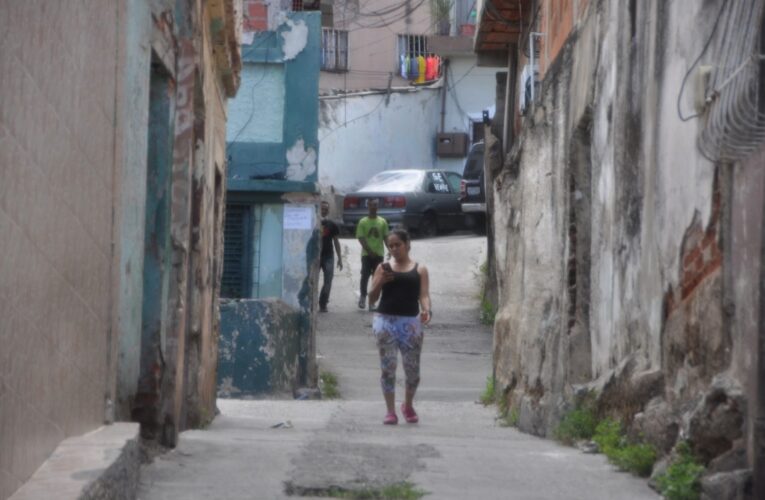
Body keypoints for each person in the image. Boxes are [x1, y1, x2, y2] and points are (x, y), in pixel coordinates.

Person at [368, 229, 431, 425]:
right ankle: (390, 411)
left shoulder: (420, 269)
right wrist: (380, 281)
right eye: (391, 246)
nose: (394, 249)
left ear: (407, 244)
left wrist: (426, 310)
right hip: (385, 321)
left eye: (398, 245)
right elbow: (372, 297)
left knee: (412, 370)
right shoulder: (383, 267)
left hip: (410, 324)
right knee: (388, 368)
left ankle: (408, 405)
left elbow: (424, 294)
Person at [355, 199, 388, 310]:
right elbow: (361, 238)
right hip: (366, 255)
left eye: (376, 205)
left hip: (379, 254)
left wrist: (391, 250)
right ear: (368, 206)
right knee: (365, 275)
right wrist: (369, 251)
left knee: (377, 278)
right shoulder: (363, 221)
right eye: (372, 205)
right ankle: (363, 297)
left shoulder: (382, 221)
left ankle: (372, 302)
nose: (374, 207)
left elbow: (385, 237)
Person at [319, 201, 342, 313]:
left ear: (328, 210)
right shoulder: (312, 222)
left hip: (328, 256)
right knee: (312, 281)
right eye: (322, 208)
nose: (324, 211)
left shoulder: (332, 225)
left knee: (328, 280)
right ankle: (311, 303)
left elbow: (336, 242)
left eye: (326, 209)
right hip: (315, 257)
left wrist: (340, 258)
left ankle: (323, 303)